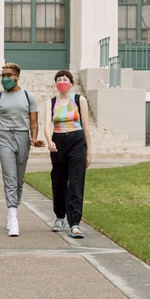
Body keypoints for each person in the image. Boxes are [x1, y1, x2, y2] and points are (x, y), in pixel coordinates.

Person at [0, 62, 43, 237]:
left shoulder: (28, 97)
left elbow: (33, 122)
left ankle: (13, 209)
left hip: (23, 137)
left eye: (8, 75)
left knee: (19, 179)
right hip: (4, 138)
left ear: (17, 76)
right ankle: (14, 218)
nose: (5, 78)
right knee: (9, 177)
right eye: (2, 75)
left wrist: (33, 139)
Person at [42, 70, 94, 239]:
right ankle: (59, 217)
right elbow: (47, 125)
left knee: (76, 182)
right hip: (58, 141)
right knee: (58, 180)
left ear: (71, 83)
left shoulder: (80, 100)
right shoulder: (51, 102)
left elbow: (86, 127)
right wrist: (49, 140)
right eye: (59, 79)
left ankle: (75, 223)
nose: (62, 81)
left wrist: (89, 151)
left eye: (65, 79)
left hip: (77, 141)